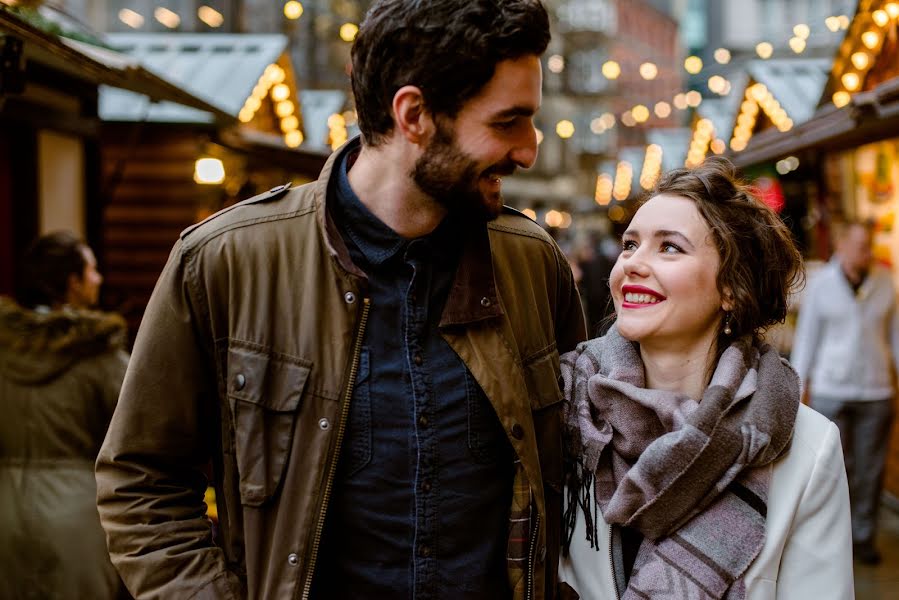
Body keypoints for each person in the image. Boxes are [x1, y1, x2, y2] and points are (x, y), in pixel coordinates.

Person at [95, 1, 586, 598]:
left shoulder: (533, 265)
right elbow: (141, 482)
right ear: (415, 115)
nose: (529, 149)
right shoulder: (226, 261)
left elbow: (581, 478)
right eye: (509, 121)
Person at [558, 157, 853, 599]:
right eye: (630, 244)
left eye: (669, 247)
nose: (634, 264)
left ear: (732, 288)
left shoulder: (807, 449)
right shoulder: (572, 412)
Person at [0, 231, 129, 599]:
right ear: (72, 283)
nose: (98, 279)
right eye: (92, 270)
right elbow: (138, 431)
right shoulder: (98, 354)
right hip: (79, 518)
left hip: (4, 514)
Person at [790, 220, 898, 565]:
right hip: (830, 390)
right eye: (861, 245)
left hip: (876, 390)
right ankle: (830, 537)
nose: (867, 252)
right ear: (841, 246)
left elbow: (896, 338)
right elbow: (806, 341)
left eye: (869, 245)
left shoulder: (886, 283)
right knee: (833, 468)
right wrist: (797, 388)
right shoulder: (821, 285)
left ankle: (863, 536)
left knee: (870, 469)